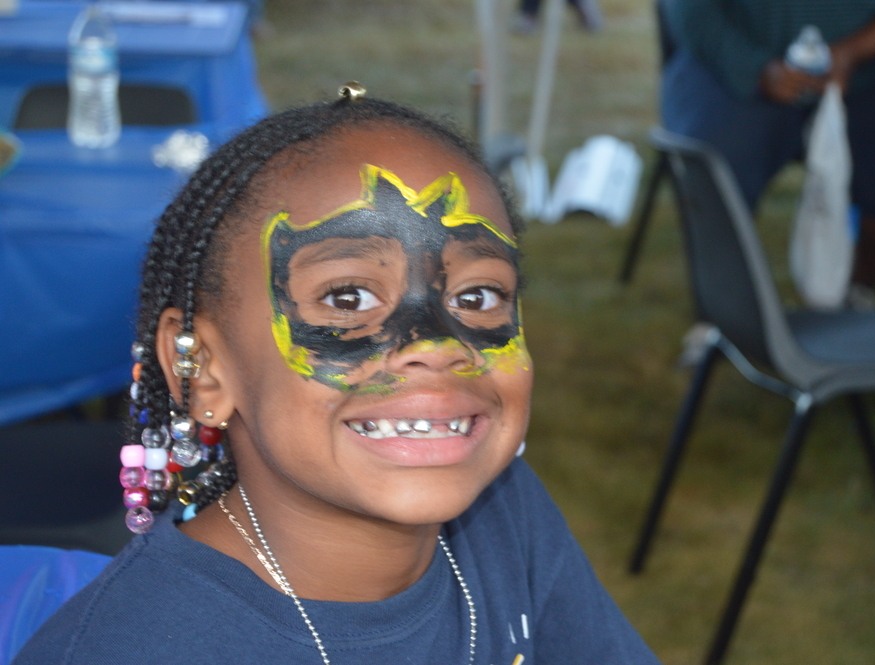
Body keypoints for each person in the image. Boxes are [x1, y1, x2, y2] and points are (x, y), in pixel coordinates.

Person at [11, 86, 660, 664]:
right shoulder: (135, 648)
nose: (436, 345)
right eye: (348, 298)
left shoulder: (504, 516)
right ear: (201, 368)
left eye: (477, 296)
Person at [660, 0, 875, 296]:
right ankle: (730, 312)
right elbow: (686, 8)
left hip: (867, 72)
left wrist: (853, 51)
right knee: (713, 173)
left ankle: (854, 290)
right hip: (734, 63)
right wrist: (754, 67)